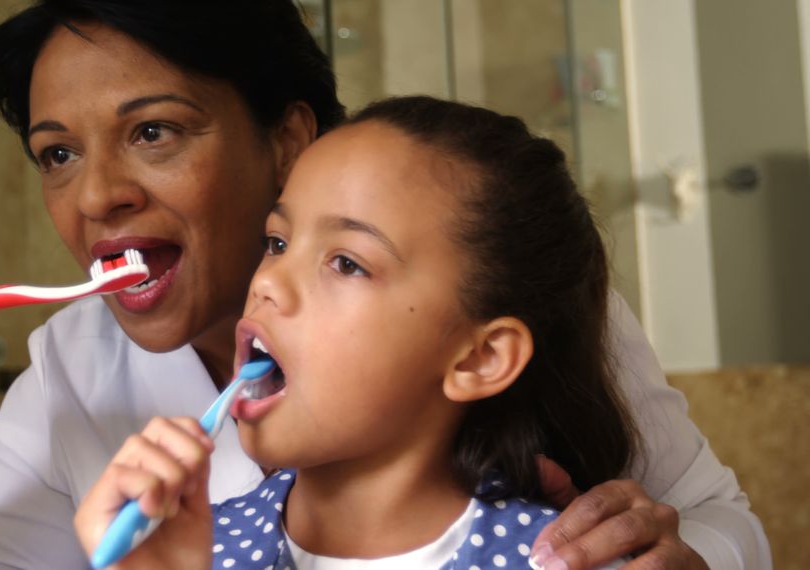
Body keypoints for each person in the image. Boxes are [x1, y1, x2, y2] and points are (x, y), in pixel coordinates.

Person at [0, 1, 768, 568]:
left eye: (154, 131)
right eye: (56, 153)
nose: (96, 197)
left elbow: (728, 528)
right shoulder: (74, 371)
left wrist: (681, 559)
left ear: (289, 138)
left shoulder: (502, 295)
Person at [73, 95, 638, 569]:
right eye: (276, 243)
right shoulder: (186, 552)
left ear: (480, 358)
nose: (268, 283)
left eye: (346, 262)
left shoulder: (561, 560)